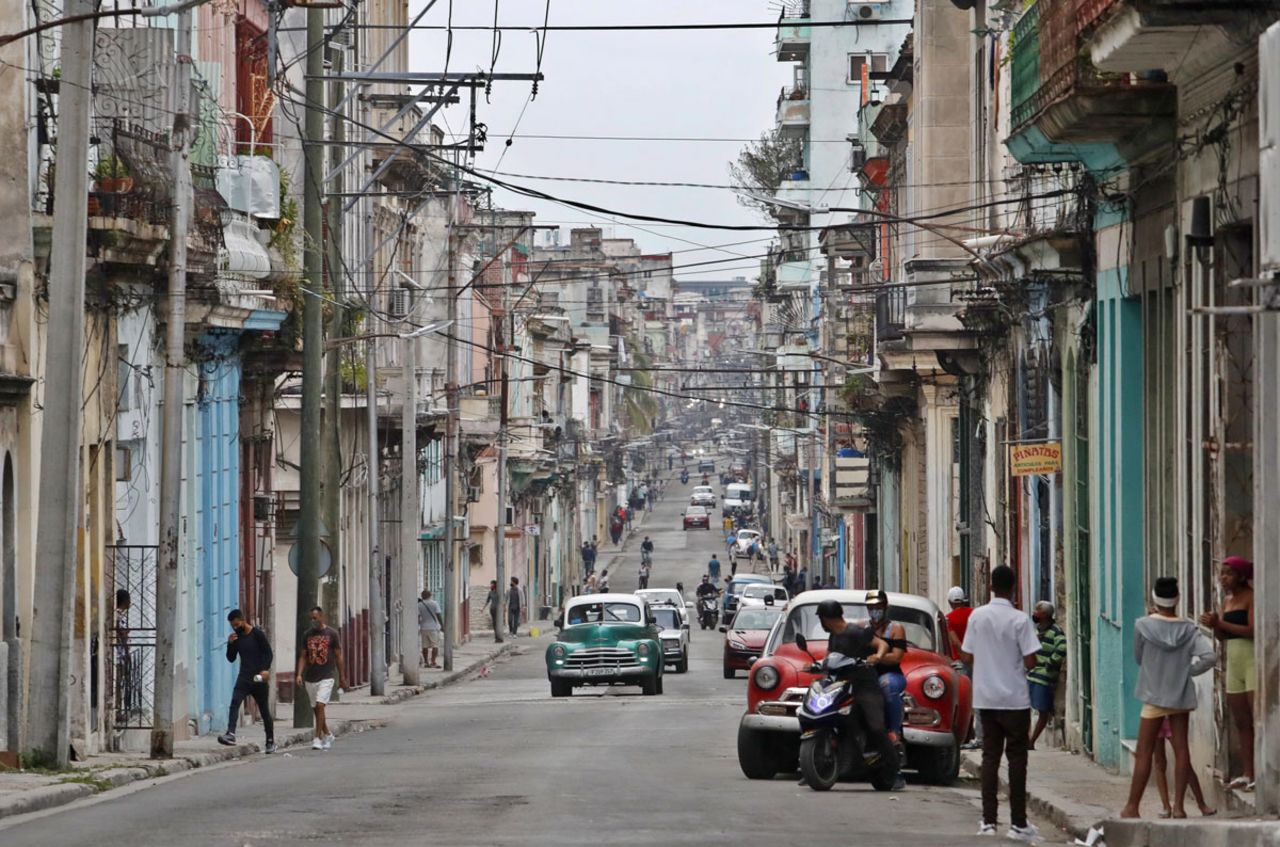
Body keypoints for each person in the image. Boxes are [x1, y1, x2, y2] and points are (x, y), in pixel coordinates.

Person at [959, 565, 1044, 842]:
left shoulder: (977, 617)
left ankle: (988, 821)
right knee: (1017, 760)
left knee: (990, 759)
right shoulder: (1020, 620)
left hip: (986, 699)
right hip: (1015, 700)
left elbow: (967, 656)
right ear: (1014, 587)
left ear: (991, 587)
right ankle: (1018, 823)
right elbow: (1031, 661)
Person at [1120, 576, 1216, 818]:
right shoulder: (1188, 628)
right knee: (1182, 750)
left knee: (1144, 752)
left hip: (1153, 695)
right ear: (1177, 599)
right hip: (1180, 695)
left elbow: (1139, 657)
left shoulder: (1142, 625)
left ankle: (1132, 806)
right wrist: (1187, 671)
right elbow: (1209, 657)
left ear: (1154, 598)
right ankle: (1180, 807)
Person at [814, 599, 896, 767]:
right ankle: (817, 763)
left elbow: (882, 644)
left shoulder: (855, 632)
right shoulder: (833, 636)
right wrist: (816, 665)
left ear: (827, 618)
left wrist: (877, 657)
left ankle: (894, 768)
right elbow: (829, 657)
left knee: (876, 726)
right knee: (824, 715)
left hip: (864, 685)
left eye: (821, 618)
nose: (821, 622)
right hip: (841, 687)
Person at [1199, 556, 1255, 791]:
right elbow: (1223, 637)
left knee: (1257, 719)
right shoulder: (1227, 601)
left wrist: (1220, 624)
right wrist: (1214, 625)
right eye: (1222, 573)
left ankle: (1262, 773)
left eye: (1228, 573)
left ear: (1241, 576)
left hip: (1252, 660)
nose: (1223, 578)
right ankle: (1247, 772)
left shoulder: (1251, 598)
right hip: (1233, 660)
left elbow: (1252, 631)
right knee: (1241, 721)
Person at [863, 589, 908, 790]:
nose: (874, 612)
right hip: (866, 675)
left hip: (889, 674)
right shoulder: (861, 628)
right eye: (871, 608)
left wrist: (877, 658)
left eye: (878, 608)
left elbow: (897, 657)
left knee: (887, 686)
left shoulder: (896, 629)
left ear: (885, 608)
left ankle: (893, 732)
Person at [218, 609, 275, 753]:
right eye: (232, 626)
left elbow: (268, 653)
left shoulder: (257, 635)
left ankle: (270, 741)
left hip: (258, 677)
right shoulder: (237, 638)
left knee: (264, 710)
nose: (235, 627)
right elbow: (231, 658)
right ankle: (230, 733)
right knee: (235, 703)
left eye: (237, 624)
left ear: (243, 620)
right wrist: (230, 644)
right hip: (244, 676)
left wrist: (265, 669)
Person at [295, 606, 345, 751]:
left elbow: (338, 656)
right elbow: (303, 656)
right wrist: (299, 674)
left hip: (327, 676)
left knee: (320, 705)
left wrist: (342, 676)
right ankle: (328, 734)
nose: (313, 621)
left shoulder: (332, 634)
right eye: (311, 618)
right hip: (311, 677)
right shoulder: (307, 635)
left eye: (315, 618)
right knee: (316, 709)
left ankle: (317, 738)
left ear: (322, 617)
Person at [1027, 601, 1067, 750]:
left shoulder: (1056, 631)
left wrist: (1051, 663)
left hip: (1044, 676)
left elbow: (1062, 648)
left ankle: (1031, 741)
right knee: (1026, 707)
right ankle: (1027, 739)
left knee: (1043, 710)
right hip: (1033, 674)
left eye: (1038, 610)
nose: (1035, 613)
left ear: (1044, 614)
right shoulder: (1039, 630)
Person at [945, 586, 980, 749]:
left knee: (962, 699)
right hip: (977, 659)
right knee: (976, 698)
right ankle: (974, 734)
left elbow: (954, 641)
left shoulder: (949, 618)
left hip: (960, 661)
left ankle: (965, 734)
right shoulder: (974, 614)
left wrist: (964, 654)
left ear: (951, 602)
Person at [418, 589, 443, 669]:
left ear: (422, 596)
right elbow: (439, 615)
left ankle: (426, 662)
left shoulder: (419, 605)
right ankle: (433, 662)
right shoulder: (434, 604)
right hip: (433, 628)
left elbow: (418, 617)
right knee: (435, 646)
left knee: (424, 646)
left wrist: (418, 625)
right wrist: (442, 625)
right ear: (430, 595)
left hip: (423, 627)